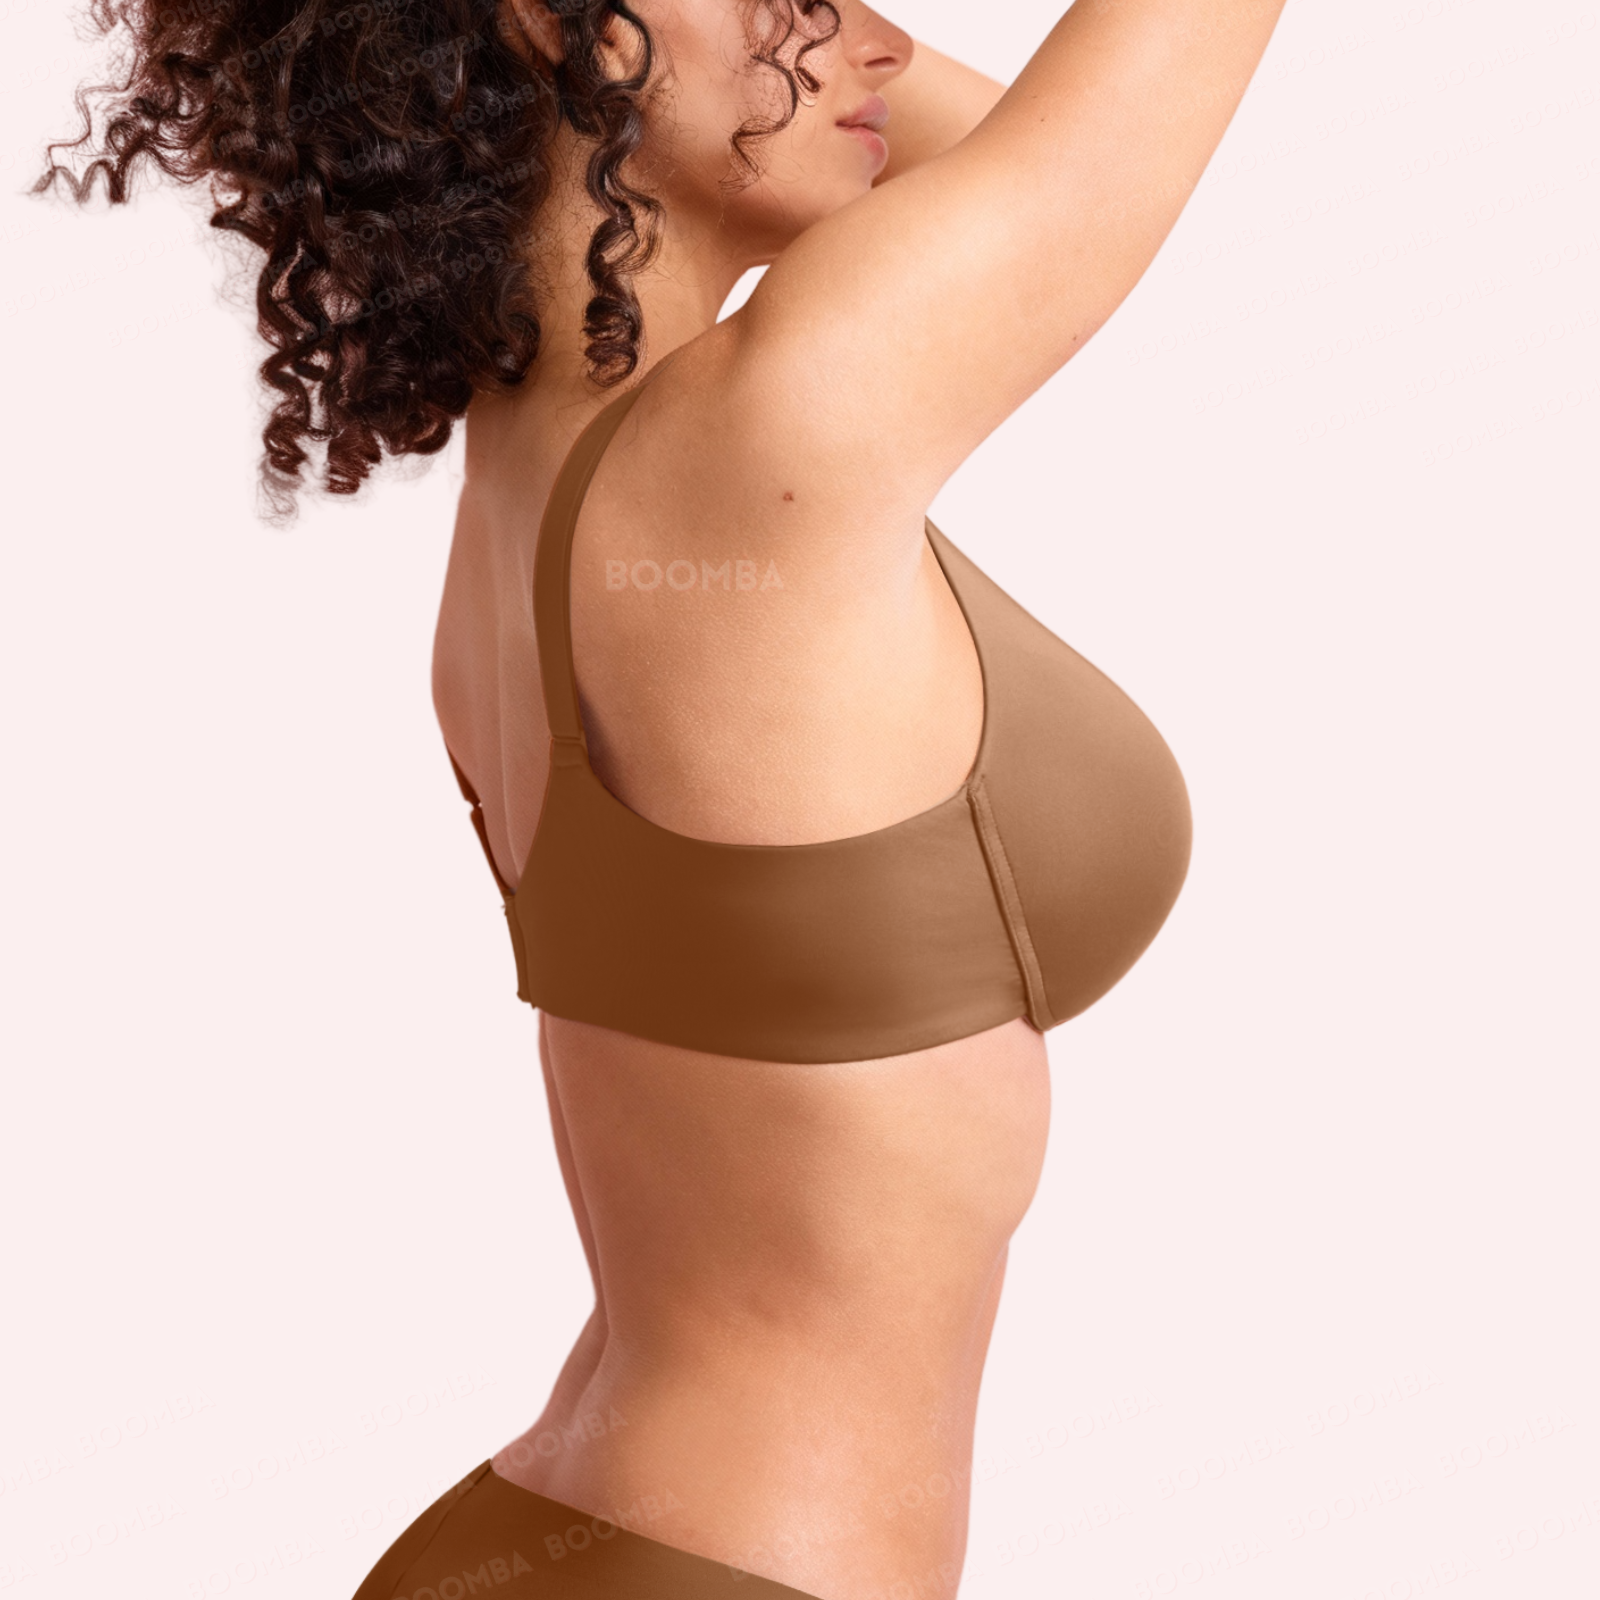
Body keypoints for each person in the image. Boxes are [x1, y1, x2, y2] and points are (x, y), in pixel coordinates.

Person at [36, 0, 1287, 1593]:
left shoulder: (536, 485)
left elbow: (1035, 160)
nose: (878, 41)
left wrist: (745, 55)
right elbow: (1098, 146)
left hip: (550, 1537)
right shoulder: (757, 440)